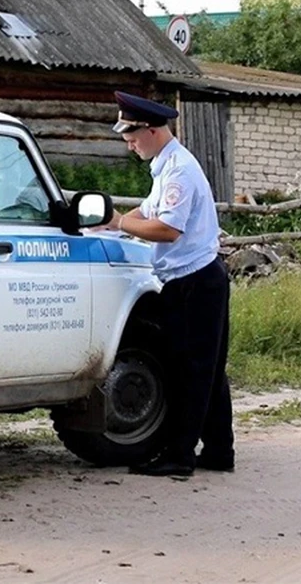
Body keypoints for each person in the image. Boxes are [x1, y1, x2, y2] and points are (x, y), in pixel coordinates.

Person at [104, 90, 234, 477]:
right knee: (209, 369)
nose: (129, 144)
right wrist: (111, 222)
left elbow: (167, 229)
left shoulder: (178, 170)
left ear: (153, 130)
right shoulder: (166, 165)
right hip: (198, 279)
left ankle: (179, 456)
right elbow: (149, 209)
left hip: (193, 281)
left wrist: (119, 223)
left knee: (189, 371)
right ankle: (218, 451)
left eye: (132, 136)